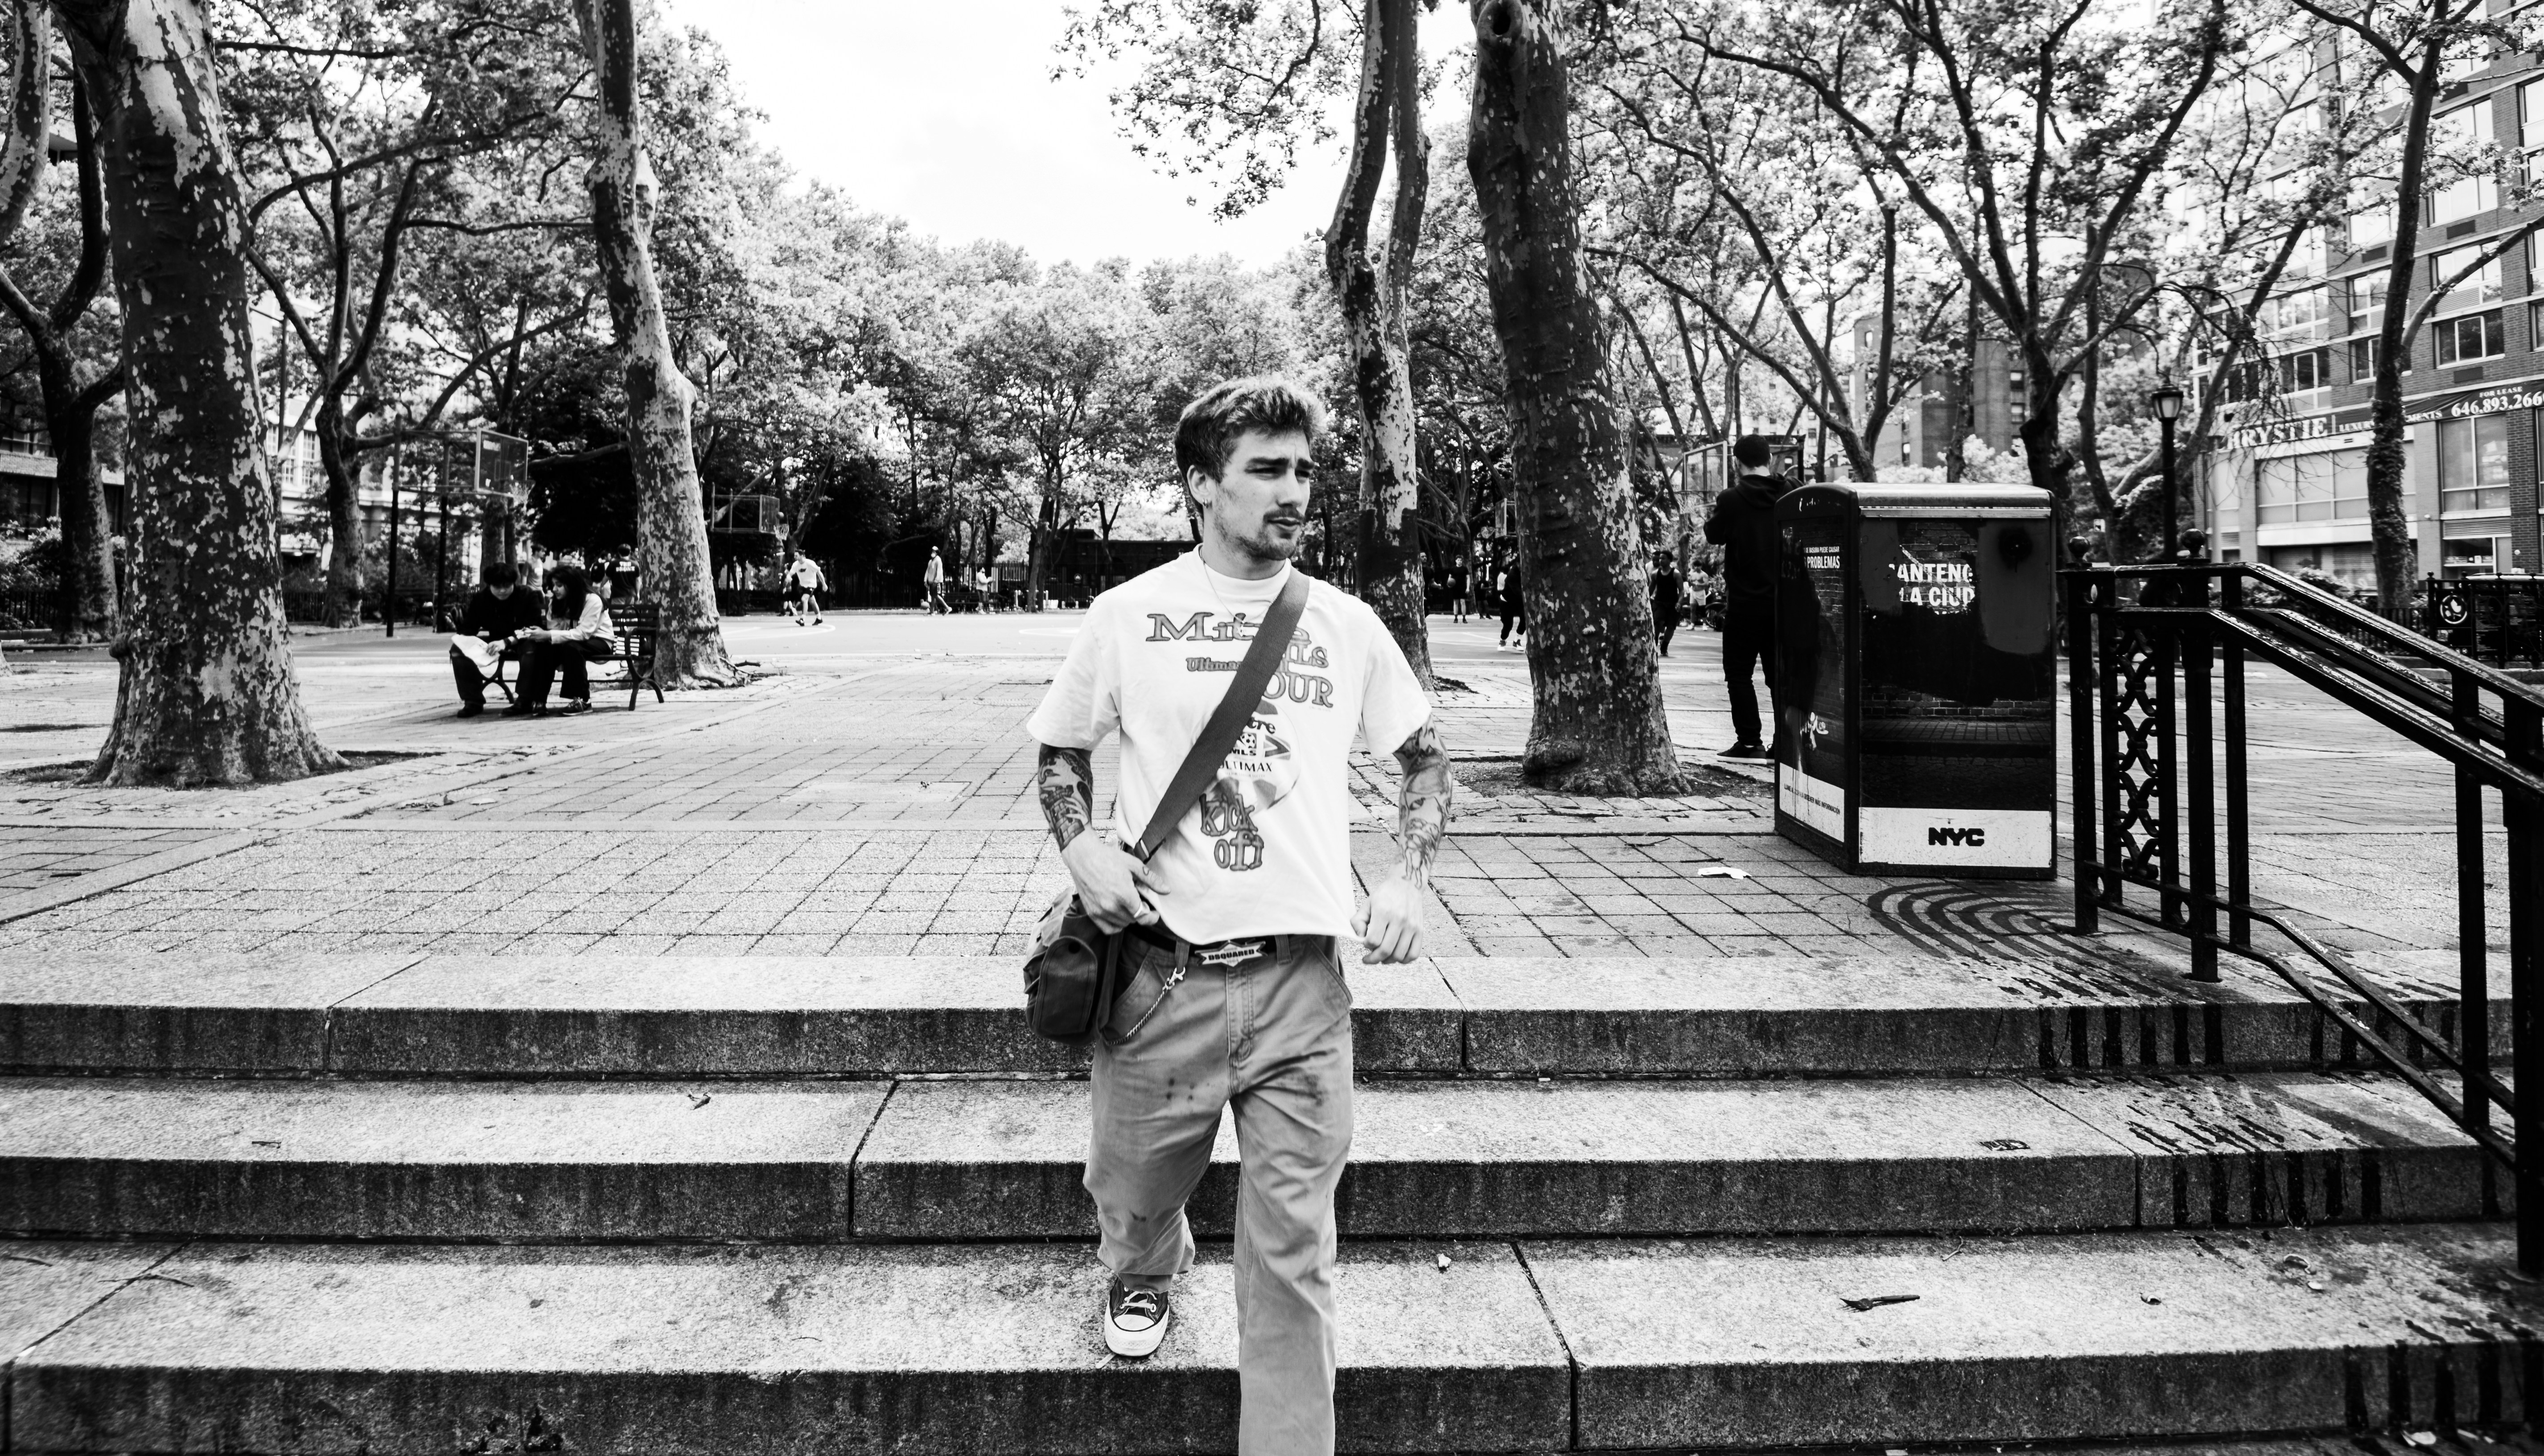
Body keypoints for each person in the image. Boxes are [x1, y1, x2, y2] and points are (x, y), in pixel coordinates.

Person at [1028, 376, 1449, 1455]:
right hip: (1162, 976)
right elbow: (1062, 750)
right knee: (1129, 1186)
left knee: (1296, 1248)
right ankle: (1142, 1266)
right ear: (1200, 485)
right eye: (1267, 468)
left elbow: (1423, 759)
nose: (1295, 490)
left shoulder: (1345, 625)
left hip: (1304, 985)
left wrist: (1405, 876)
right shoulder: (1130, 615)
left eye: (1305, 469)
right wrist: (1082, 847)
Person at [1704, 435, 1790, 758]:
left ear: (1736, 462)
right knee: (1780, 677)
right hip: (1784, 603)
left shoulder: (1732, 499)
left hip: (1744, 603)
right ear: (1770, 458)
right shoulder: (1789, 491)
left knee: (1739, 674)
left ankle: (1750, 741)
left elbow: (1713, 535)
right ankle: (1784, 742)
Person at [506, 564, 617, 718]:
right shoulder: (555, 602)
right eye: (553, 586)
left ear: (572, 585)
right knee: (545, 647)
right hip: (570, 641)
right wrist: (543, 636)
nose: (555, 590)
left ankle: (582, 700)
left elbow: (583, 634)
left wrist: (548, 635)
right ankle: (538, 700)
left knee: (572, 647)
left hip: (600, 641)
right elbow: (554, 630)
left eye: (559, 585)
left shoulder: (593, 601)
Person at [446, 562, 544, 719]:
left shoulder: (527, 595)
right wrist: (467, 641)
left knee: (532, 649)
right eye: (497, 587)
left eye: (507, 586)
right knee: (458, 650)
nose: (502, 591)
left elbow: (533, 628)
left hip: (522, 639)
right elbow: (469, 628)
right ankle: (473, 700)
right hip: (494, 640)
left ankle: (525, 700)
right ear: (489, 585)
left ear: (514, 583)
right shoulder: (481, 599)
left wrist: (506, 642)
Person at [783, 551, 827, 625]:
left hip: (811, 585)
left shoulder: (810, 563)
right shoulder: (796, 565)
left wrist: (824, 584)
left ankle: (803, 619)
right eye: (795, 556)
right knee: (813, 602)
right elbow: (790, 574)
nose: (795, 557)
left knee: (804, 599)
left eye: (796, 556)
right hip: (804, 586)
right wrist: (787, 581)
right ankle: (819, 618)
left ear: (802, 556)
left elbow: (819, 573)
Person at [1652, 554, 1684, 656]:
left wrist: (1679, 602)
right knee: (1658, 622)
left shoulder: (1676, 574)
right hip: (1659, 603)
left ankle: (1665, 645)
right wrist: (1646, 599)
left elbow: (1682, 590)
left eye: (1663, 558)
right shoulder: (1655, 574)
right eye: (1660, 558)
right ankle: (1655, 641)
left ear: (1670, 560)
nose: (1661, 560)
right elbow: (1651, 588)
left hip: (1673, 604)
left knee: (1671, 627)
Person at [1495, 554, 1526, 651]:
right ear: (1518, 564)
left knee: (1525, 619)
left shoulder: (1527, 572)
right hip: (1507, 601)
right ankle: (1503, 641)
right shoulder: (1512, 575)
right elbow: (1517, 591)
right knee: (1508, 625)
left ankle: (1517, 641)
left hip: (1519, 601)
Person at [922, 548, 949, 614]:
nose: (933, 553)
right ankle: (932, 611)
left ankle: (947, 608)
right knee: (933, 596)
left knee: (935, 596)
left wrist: (936, 580)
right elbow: (928, 571)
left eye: (934, 552)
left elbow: (940, 571)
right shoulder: (930, 562)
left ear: (937, 553)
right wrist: (925, 580)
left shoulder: (938, 560)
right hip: (931, 581)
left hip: (936, 581)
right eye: (932, 552)